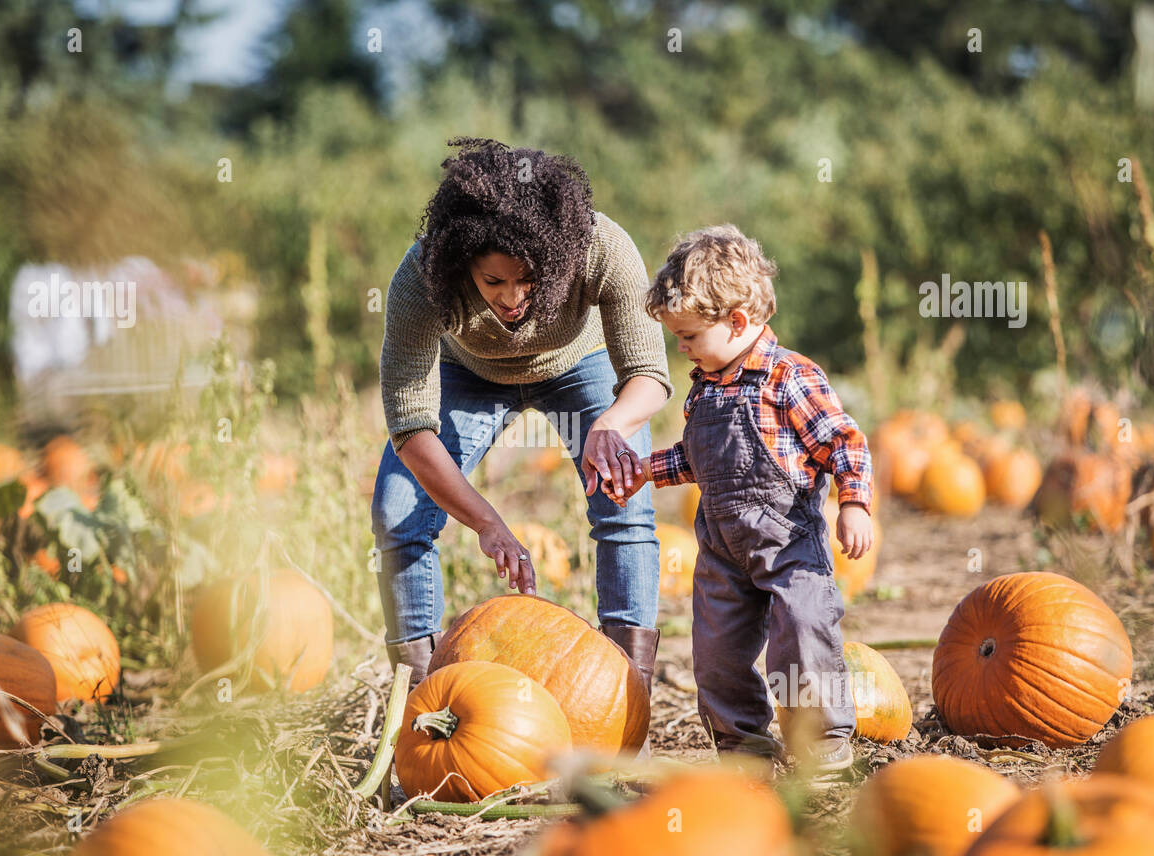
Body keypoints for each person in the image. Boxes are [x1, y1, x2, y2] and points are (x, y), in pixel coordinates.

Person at [372, 138, 671, 693]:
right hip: (469, 372)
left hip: (579, 364)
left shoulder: (601, 247)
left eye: (529, 280)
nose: (512, 298)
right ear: (463, 264)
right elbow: (411, 429)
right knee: (397, 513)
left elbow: (649, 377)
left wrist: (608, 426)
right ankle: (417, 698)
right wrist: (487, 522)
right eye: (494, 282)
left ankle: (628, 693)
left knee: (625, 503)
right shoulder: (422, 277)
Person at [607, 224, 875, 773]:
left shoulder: (789, 378)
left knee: (803, 634)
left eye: (688, 336)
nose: (680, 348)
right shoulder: (705, 386)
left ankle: (821, 748)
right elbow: (695, 457)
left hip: (788, 545)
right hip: (721, 550)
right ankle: (743, 746)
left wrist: (853, 502)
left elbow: (843, 440)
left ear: (737, 321)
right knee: (715, 651)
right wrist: (645, 472)